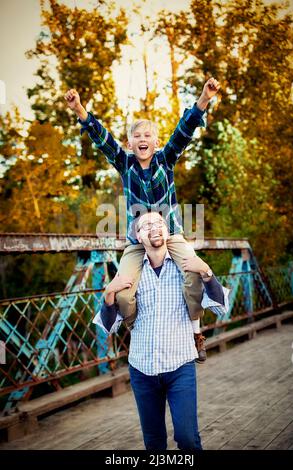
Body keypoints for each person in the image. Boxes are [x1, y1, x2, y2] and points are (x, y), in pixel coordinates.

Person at [64, 77, 221, 361]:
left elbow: (184, 131)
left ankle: (196, 332)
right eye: (137, 136)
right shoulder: (124, 164)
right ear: (130, 143)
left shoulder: (166, 159)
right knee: (123, 291)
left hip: (170, 234)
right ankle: (136, 330)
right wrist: (79, 109)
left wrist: (204, 97)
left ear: (156, 142)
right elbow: (102, 139)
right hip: (138, 242)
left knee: (194, 275)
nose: (143, 140)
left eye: (148, 136)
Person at [93, 211, 229, 451]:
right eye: (146, 225)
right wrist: (108, 295)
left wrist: (207, 272)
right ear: (137, 235)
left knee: (187, 439)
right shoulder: (129, 275)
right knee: (154, 442)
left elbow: (219, 307)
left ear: (168, 231)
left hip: (180, 367)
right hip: (142, 370)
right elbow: (108, 326)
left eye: (159, 223)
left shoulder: (186, 268)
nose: (154, 227)